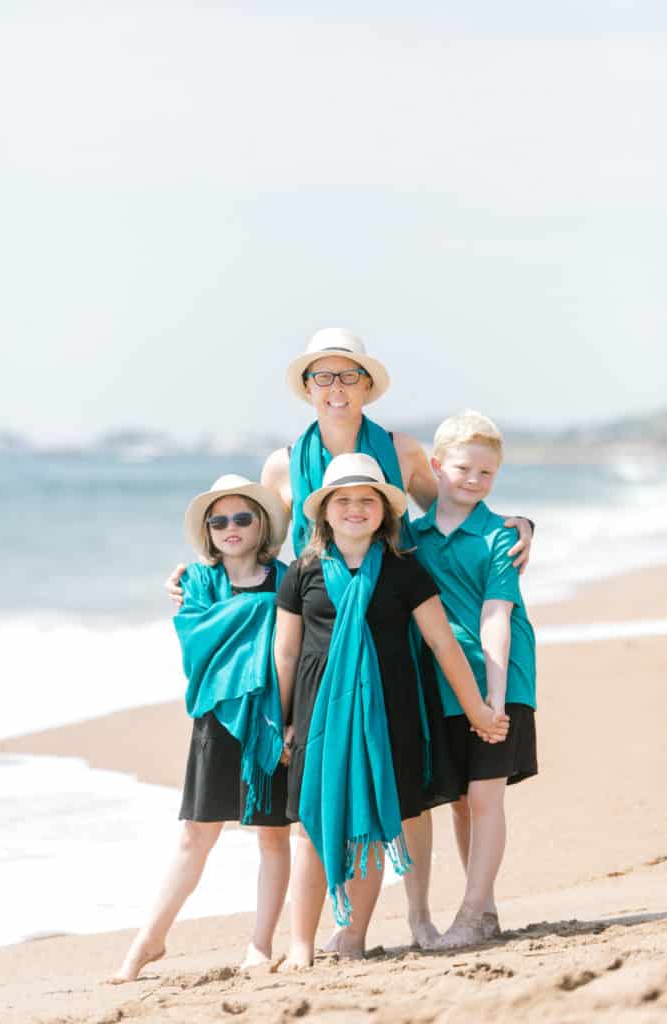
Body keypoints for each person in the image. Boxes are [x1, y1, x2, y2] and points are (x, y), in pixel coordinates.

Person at [166, 327, 534, 950]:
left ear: (367, 384)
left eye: (348, 376)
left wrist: (522, 522)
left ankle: (463, 910)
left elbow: (448, 510)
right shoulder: (283, 463)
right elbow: (265, 551)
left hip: (406, 630)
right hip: (330, 648)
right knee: (358, 783)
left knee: (432, 785)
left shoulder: (402, 448)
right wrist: (197, 570)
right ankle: (376, 922)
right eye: (322, 377)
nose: (335, 389)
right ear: (308, 387)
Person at [273, 453, 510, 968]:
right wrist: (284, 718)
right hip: (318, 718)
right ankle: (300, 944)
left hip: (391, 714)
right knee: (312, 829)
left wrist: (477, 709)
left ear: (384, 512)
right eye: (344, 501)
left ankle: (353, 937)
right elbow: (286, 652)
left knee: (375, 828)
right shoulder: (302, 572)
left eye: (367, 500)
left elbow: (443, 644)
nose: (355, 509)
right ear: (324, 513)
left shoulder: (405, 570)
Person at [109, 475, 291, 983]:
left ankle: (260, 945)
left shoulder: (289, 578)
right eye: (219, 521)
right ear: (208, 532)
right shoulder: (197, 583)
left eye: (242, 518)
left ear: (262, 524)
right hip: (216, 716)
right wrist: (258, 608)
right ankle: (149, 941)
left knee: (272, 837)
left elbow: (300, 644)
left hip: (271, 718)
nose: (231, 528)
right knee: (195, 835)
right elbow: (196, 639)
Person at [410, 412, 537, 948]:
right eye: (464, 468)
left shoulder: (498, 536)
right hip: (441, 681)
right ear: (437, 466)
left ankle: (470, 913)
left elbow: (496, 618)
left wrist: (493, 696)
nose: (474, 480)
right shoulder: (409, 538)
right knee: (462, 799)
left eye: (487, 474)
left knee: (486, 799)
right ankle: (482, 911)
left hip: (500, 676)